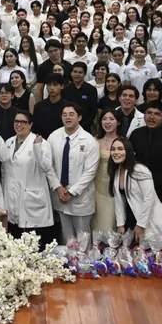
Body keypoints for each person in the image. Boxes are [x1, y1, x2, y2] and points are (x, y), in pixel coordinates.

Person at [0, 110, 55, 247]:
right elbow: (2, 157)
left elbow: (46, 167)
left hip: (32, 199)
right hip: (12, 198)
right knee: (15, 240)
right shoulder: (9, 142)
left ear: (30, 125)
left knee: (33, 244)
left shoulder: (41, 142)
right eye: (16, 121)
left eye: (23, 122)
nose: (19, 125)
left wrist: (37, 148)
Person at [47, 103, 100, 242]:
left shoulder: (89, 141)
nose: (68, 117)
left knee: (83, 239)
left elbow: (90, 172)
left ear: (79, 117)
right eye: (64, 115)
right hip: (60, 194)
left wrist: (71, 192)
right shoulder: (53, 137)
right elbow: (48, 165)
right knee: (67, 239)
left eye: (71, 114)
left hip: (80, 197)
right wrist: (57, 186)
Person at [108, 137, 162, 249]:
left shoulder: (139, 169)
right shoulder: (117, 171)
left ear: (128, 151)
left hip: (149, 220)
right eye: (113, 149)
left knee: (153, 254)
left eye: (120, 149)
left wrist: (141, 225)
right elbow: (119, 200)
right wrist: (120, 224)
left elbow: (149, 198)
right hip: (131, 219)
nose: (116, 152)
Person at [129, 102, 162, 214]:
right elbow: (130, 161)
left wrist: (149, 184)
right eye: (149, 113)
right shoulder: (136, 134)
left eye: (157, 114)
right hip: (137, 190)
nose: (152, 117)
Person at [93, 109, 123, 233]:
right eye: (104, 119)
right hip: (96, 187)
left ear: (118, 122)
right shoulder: (95, 140)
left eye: (111, 119)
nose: (107, 122)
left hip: (113, 189)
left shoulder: (123, 142)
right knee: (94, 224)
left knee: (108, 225)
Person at [61, 62, 98, 131]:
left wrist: (83, 125)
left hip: (85, 127)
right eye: (75, 72)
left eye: (80, 72)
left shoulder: (91, 89)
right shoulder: (65, 89)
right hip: (67, 126)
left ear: (85, 74)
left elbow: (93, 110)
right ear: (71, 73)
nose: (77, 74)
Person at [32, 74, 66, 139]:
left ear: (62, 86)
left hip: (61, 140)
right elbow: (35, 128)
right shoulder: (39, 106)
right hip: (42, 140)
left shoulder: (67, 107)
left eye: (55, 85)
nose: (52, 88)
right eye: (49, 85)